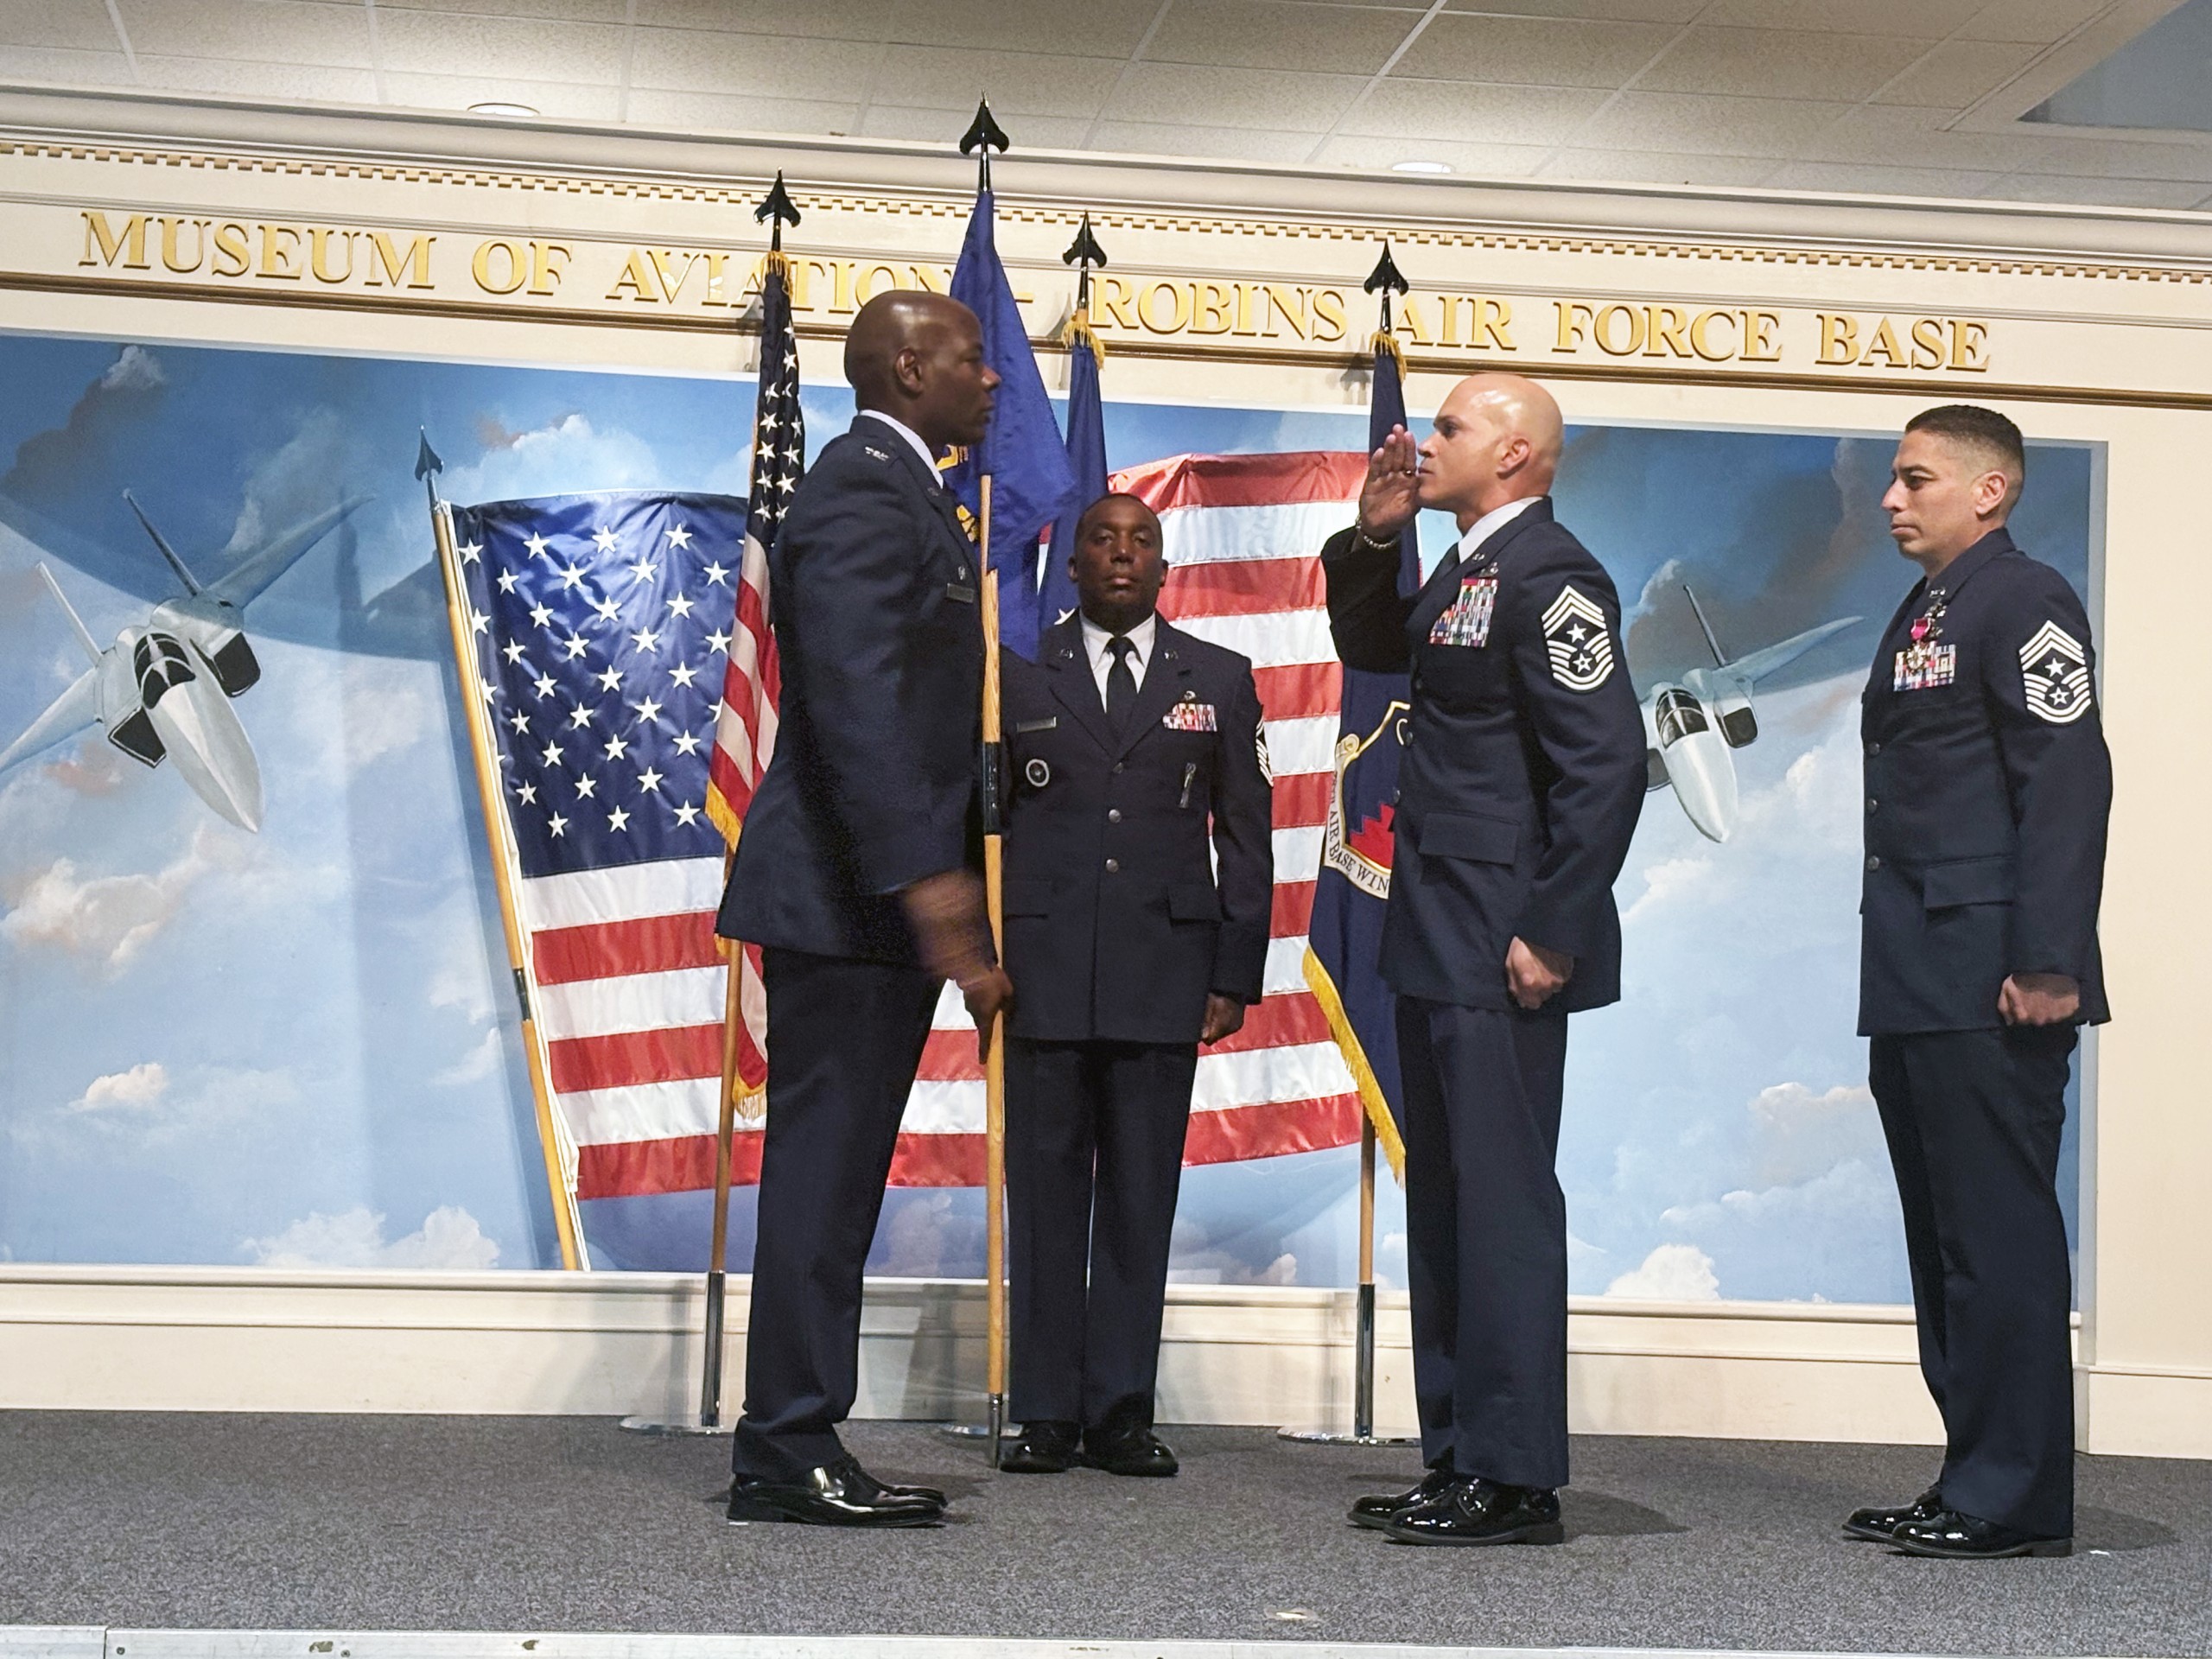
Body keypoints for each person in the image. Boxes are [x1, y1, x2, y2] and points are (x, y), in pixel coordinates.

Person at [1321, 372, 1645, 1546]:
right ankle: (1459, 1457)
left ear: (1514, 455)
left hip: (1505, 937)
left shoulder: (1557, 579)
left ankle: (1515, 1478)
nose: (1424, 439)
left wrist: (1553, 927)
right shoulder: (1466, 570)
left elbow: (1606, 767)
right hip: (1438, 928)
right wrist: (1373, 536)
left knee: (1501, 1206)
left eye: (1450, 428)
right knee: (1449, 1204)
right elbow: (1375, 647)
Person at [715, 290, 1011, 1529]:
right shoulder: (854, 488)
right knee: (824, 1179)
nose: (992, 382)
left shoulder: (910, 491)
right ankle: (786, 1446)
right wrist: (931, 884)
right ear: (905, 369)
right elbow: (852, 699)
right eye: (971, 360)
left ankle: (796, 1433)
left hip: (868, 902)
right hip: (848, 900)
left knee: (839, 1181)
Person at [1845, 404, 2110, 1560]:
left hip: (1996, 974)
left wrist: (2050, 958)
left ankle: (2014, 1497)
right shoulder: (1930, 607)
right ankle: (1971, 1475)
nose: (1893, 499)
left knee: (1995, 1237)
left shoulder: (2026, 598)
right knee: (1946, 1237)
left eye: (1914, 479)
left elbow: (2064, 780)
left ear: (1989, 490)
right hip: (1917, 969)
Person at [995, 493, 1274, 1478]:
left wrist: (1236, 970)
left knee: (1138, 1198)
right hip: (1040, 973)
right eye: (1102, 541)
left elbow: (1245, 837)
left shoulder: (1222, 680)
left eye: (1141, 541)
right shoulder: (1015, 668)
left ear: (1165, 568)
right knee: (1044, 1194)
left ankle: (1118, 1409)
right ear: (1070, 568)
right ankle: (1043, 1413)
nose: (1121, 555)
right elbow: (982, 828)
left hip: (1167, 972)